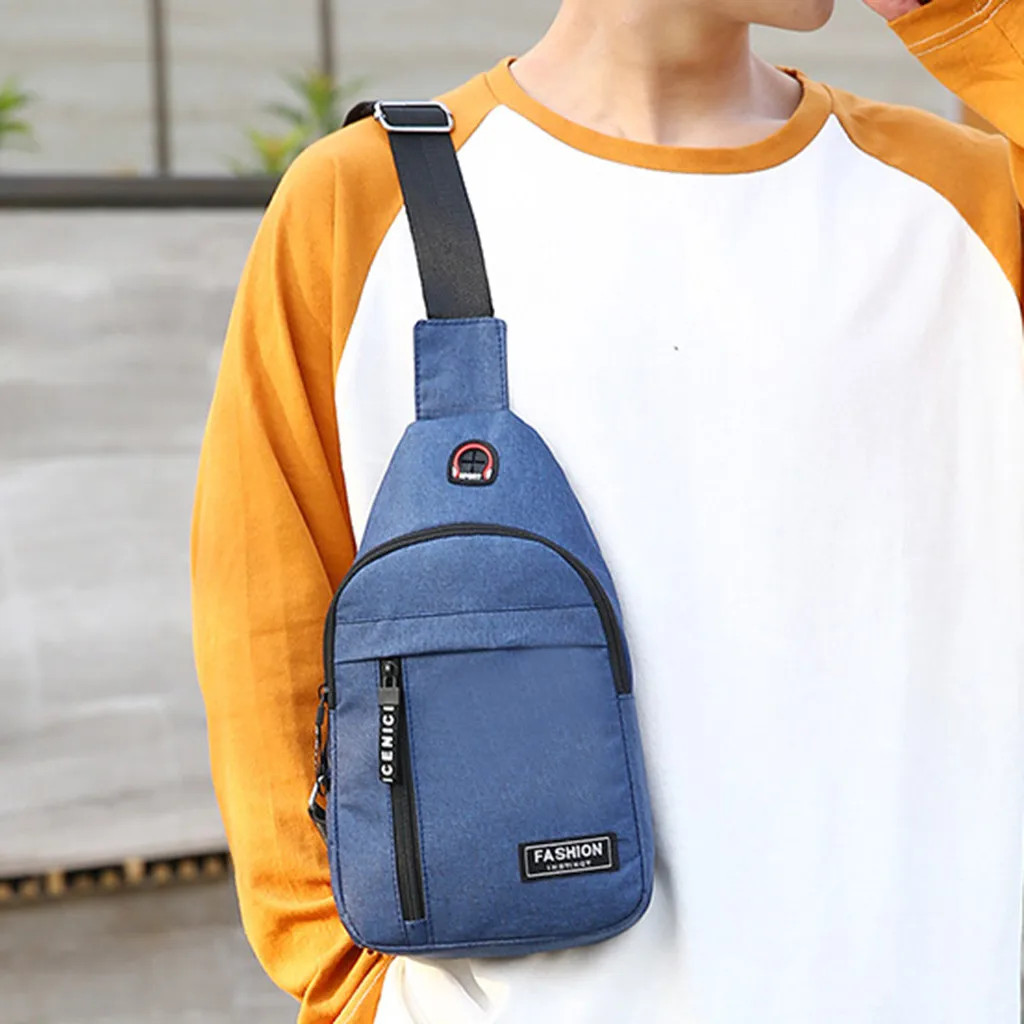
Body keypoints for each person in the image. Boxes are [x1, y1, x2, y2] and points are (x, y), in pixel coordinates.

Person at [191, 0, 1024, 1021]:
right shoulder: (367, 203)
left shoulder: (968, 199)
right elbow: (268, 642)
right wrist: (358, 996)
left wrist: (975, 18)